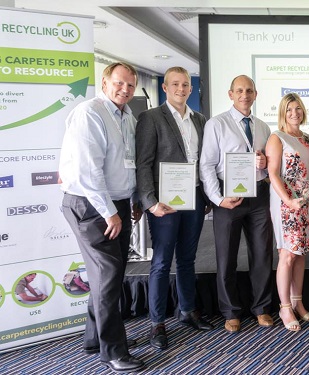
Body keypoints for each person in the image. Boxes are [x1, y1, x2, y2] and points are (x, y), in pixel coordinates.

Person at [59, 62, 144, 372]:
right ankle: (112, 351)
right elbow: (89, 171)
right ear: (105, 82)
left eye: (131, 86)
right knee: (107, 276)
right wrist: (110, 212)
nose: (125, 90)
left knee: (109, 277)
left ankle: (96, 338)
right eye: (120, 83)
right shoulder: (90, 113)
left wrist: (132, 198)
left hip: (116, 203)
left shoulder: (127, 116)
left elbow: (127, 162)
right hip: (92, 206)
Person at [136, 66, 213, 350]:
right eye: (175, 84)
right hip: (164, 203)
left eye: (185, 85)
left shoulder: (201, 120)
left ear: (191, 89)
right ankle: (157, 323)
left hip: (193, 198)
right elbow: (143, 163)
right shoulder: (150, 117)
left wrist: (207, 196)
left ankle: (188, 311)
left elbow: (205, 160)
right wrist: (150, 202)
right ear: (165, 88)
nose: (181, 89)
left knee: (187, 258)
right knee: (160, 262)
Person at [200, 75, 274, 332]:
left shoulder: (263, 127)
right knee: (226, 256)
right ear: (231, 94)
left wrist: (265, 164)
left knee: (262, 255)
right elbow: (207, 165)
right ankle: (230, 311)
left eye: (249, 91)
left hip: (259, 195)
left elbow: (267, 162)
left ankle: (262, 308)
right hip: (228, 197)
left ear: (256, 94)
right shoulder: (216, 124)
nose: (245, 95)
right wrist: (218, 198)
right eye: (239, 90)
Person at [266, 93, 309, 332]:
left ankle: (298, 303)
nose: (294, 113)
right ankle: (285, 307)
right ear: (282, 113)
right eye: (289, 110)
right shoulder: (277, 138)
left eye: (298, 109)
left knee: (301, 253)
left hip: (306, 201)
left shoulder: (308, 138)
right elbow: (273, 173)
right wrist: (289, 200)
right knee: (287, 254)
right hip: (285, 203)